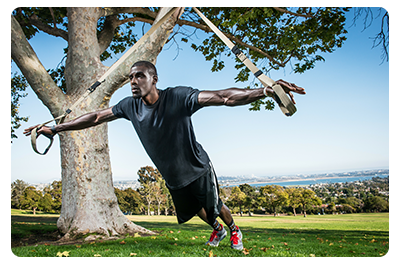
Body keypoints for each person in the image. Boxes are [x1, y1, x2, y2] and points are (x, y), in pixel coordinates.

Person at [24, 61, 305, 250]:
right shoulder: (129, 106)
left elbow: (224, 97)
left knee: (215, 205)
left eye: (139, 76)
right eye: (130, 77)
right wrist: (55, 128)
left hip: (198, 168)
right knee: (196, 211)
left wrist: (265, 91)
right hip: (173, 176)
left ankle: (233, 229)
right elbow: (97, 116)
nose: (133, 81)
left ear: (154, 79)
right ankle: (217, 230)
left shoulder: (179, 97)